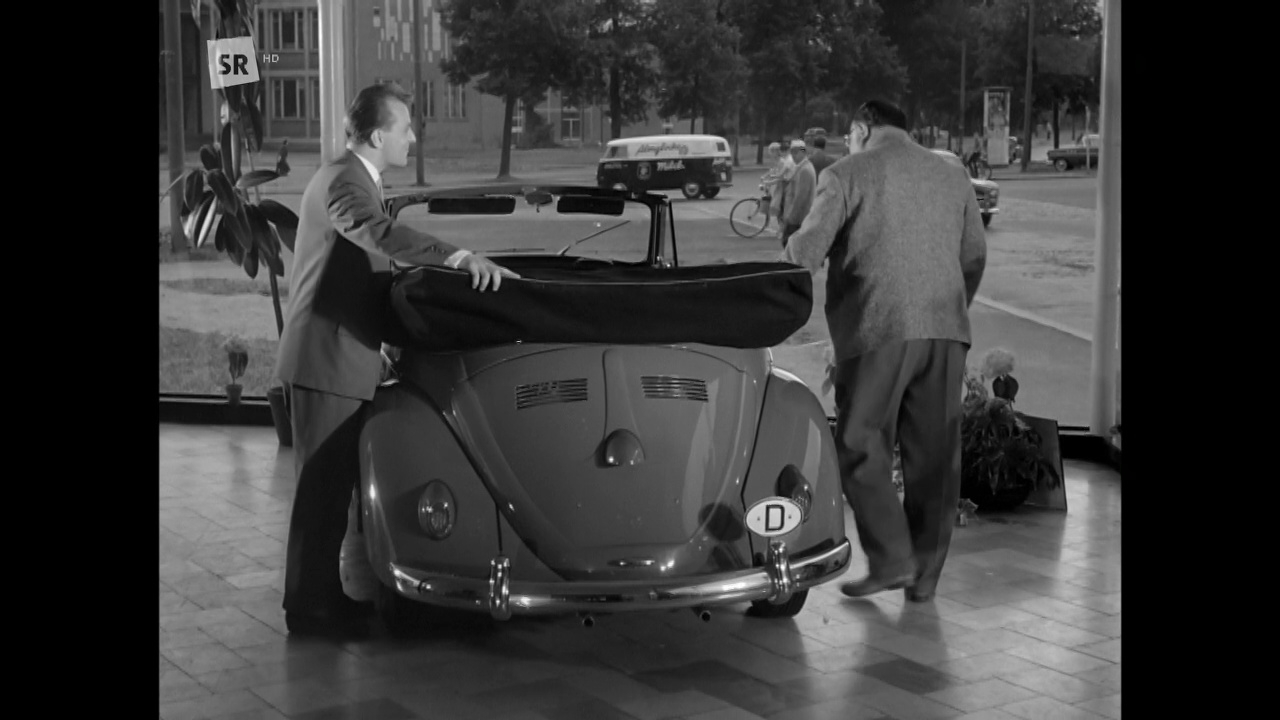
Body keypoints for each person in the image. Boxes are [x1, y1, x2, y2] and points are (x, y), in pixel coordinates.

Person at [274, 82, 519, 636]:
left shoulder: (355, 177)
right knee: (321, 493)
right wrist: (457, 257)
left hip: (338, 356)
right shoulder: (345, 181)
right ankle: (310, 610)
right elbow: (376, 233)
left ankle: (319, 600)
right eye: (405, 127)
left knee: (331, 491)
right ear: (377, 135)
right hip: (326, 360)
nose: (412, 137)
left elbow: (357, 270)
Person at [780, 99, 986, 603]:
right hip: (946, 328)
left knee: (859, 441)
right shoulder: (952, 174)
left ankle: (893, 558)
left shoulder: (847, 174)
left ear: (861, 128)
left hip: (877, 325)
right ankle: (924, 578)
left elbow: (805, 254)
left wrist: (785, 250)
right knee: (936, 457)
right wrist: (950, 309)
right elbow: (974, 254)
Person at [779, 139, 816, 247]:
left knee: (790, 247)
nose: (793, 156)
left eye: (796, 152)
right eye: (792, 152)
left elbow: (800, 197)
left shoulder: (804, 170)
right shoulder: (802, 167)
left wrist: (791, 217)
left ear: (803, 152)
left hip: (799, 218)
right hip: (799, 217)